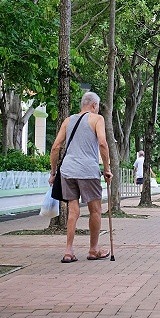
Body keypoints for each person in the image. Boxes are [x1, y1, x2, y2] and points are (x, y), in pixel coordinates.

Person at [49, 91, 113, 263]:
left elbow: (55, 147)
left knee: (73, 210)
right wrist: (107, 169)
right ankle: (93, 250)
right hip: (88, 171)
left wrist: (53, 173)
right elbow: (102, 143)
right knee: (95, 210)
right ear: (94, 105)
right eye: (98, 106)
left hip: (68, 171)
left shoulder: (68, 121)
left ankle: (68, 252)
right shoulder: (97, 119)